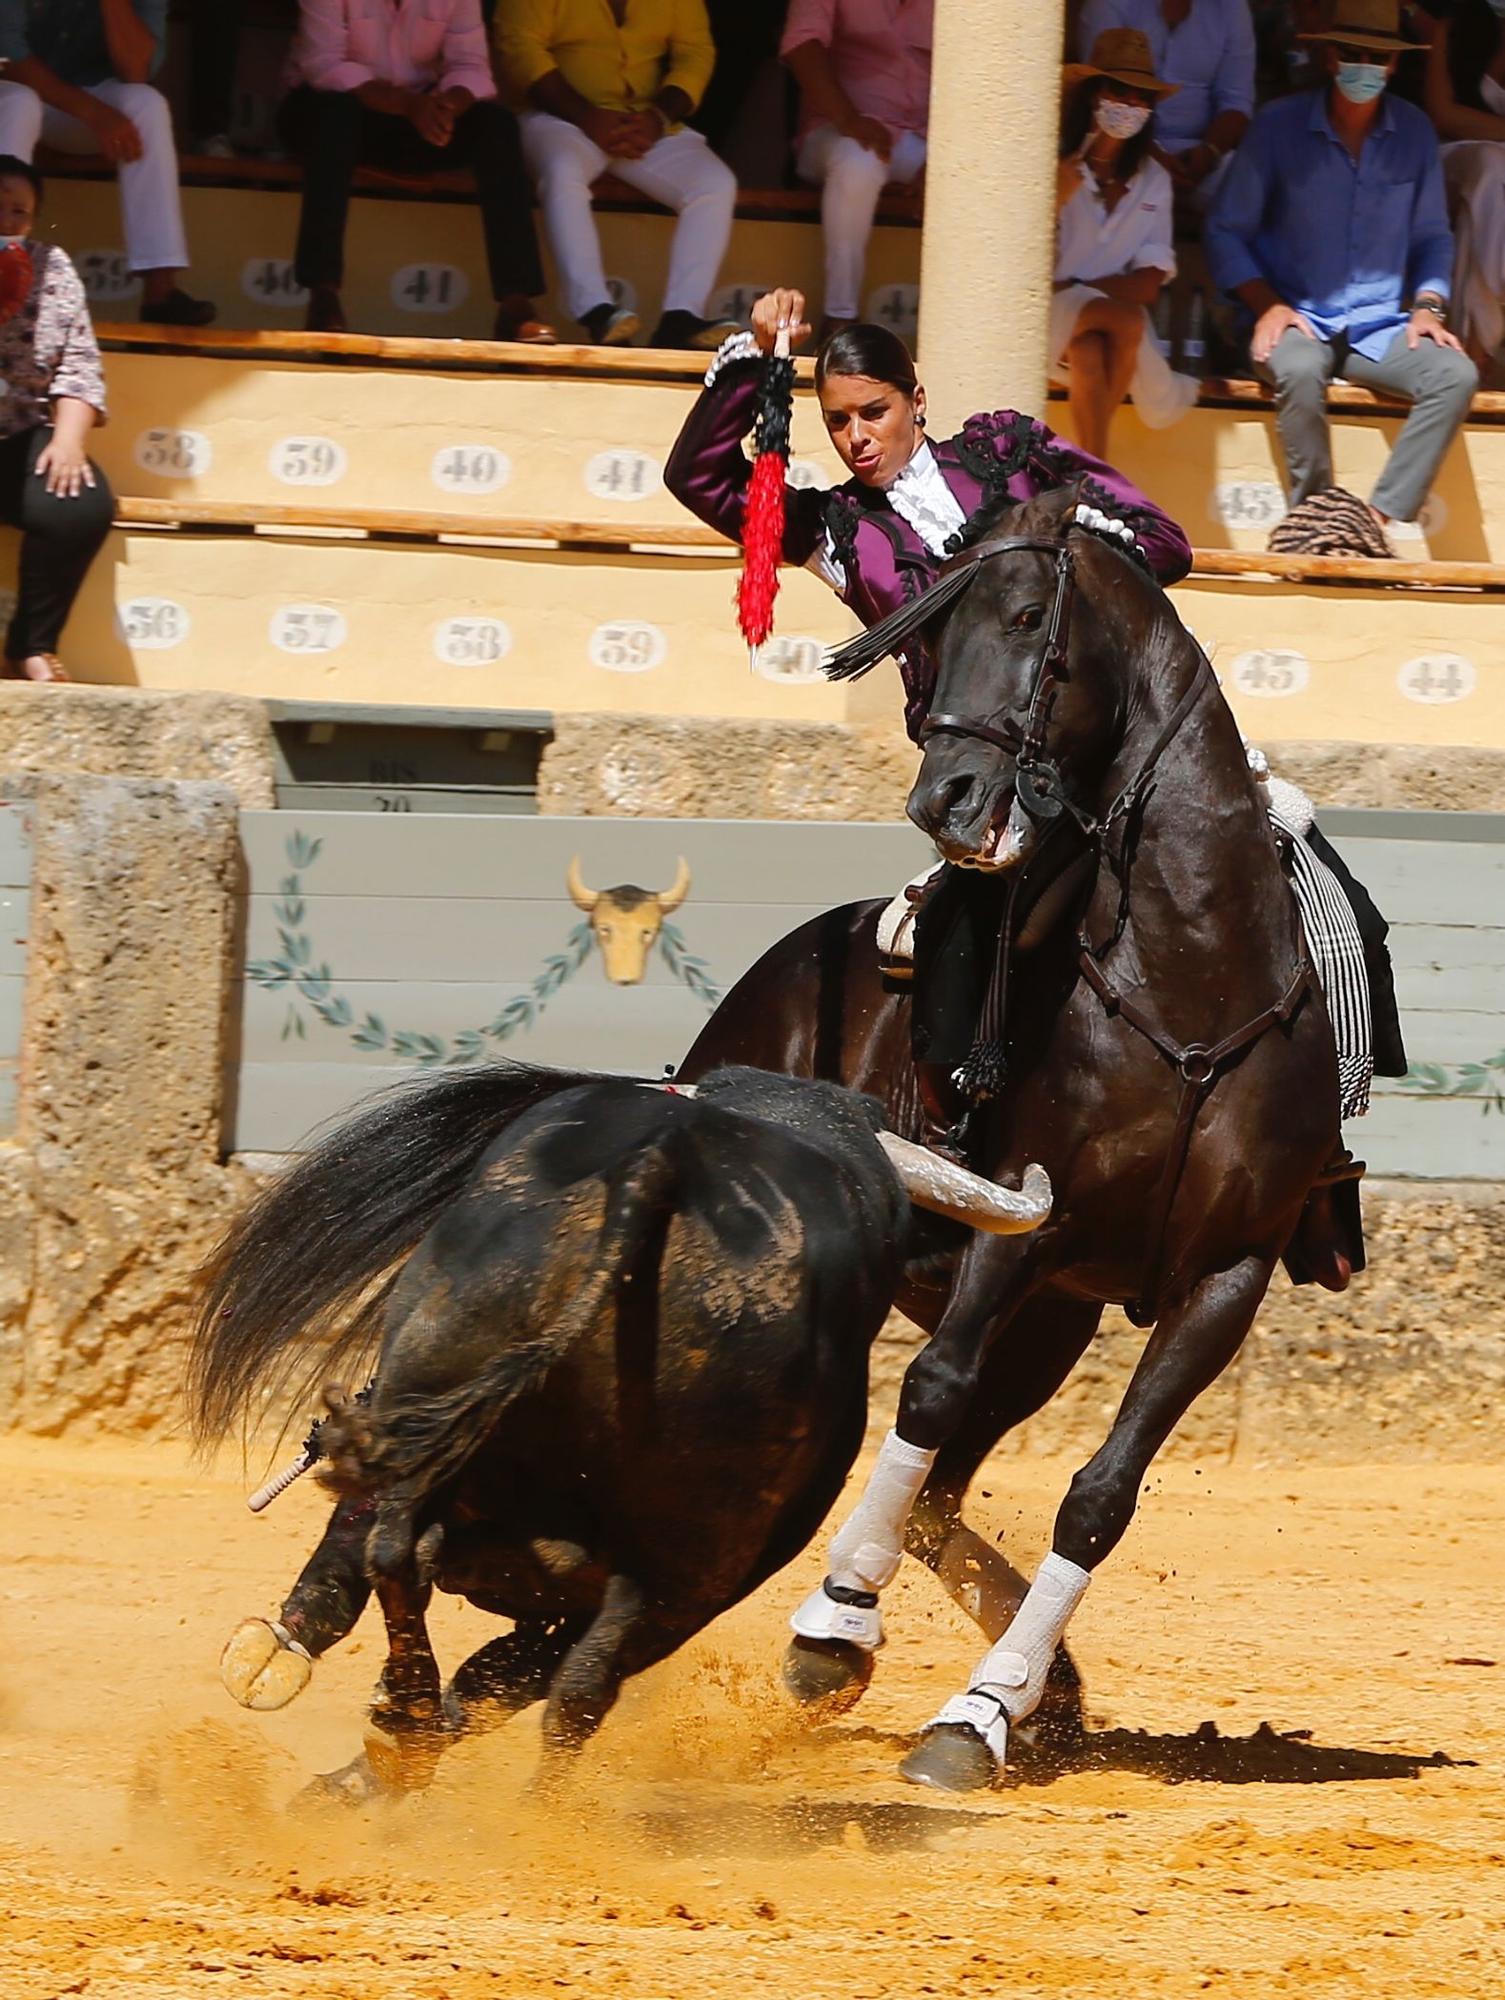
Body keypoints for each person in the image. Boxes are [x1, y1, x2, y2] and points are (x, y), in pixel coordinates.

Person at [1206, 0, 1476, 549]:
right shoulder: (1277, 127)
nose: (1365, 66)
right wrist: (1267, 305)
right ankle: (1315, 518)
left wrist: (1429, 305)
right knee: (1301, 371)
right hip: (1292, 318)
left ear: (1395, 65)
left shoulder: (1416, 134)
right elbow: (1225, 230)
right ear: (1330, 58)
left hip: (1379, 326)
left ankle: (1372, 521)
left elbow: (1432, 238)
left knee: (1456, 375)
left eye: (1377, 56)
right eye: (1353, 54)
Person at [281, 0, 553, 340]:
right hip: (330, 106)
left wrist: (448, 106)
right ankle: (322, 294)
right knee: (334, 116)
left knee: (496, 126)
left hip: (417, 113)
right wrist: (408, 106)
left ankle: (516, 305)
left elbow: (470, 65)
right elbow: (324, 65)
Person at [494, 0, 742, 348]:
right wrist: (584, 115)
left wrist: (659, 117)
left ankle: (681, 318)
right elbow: (519, 45)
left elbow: (695, 52)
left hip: (642, 122)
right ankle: (596, 310)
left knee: (714, 184)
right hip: (558, 117)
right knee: (563, 171)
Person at [0, 0, 215, 327]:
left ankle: (160, 294)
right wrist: (94, 113)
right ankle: (6, 279)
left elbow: (136, 71)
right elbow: (9, 57)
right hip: (19, 93)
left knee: (146, 105)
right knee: (18, 102)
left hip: (81, 108)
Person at [1054, 28, 1198, 458]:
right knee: (1130, 322)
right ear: (1093, 95)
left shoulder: (1154, 179)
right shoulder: (1052, 164)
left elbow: (1149, 284)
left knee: (1092, 347)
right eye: (1119, 91)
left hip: (1095, 331)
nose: (1130, 105)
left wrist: (1074, 289)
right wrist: (1055, 195)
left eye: (1142, 97)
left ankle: (1091, 471)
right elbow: (1017, 263)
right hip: (1043, 326)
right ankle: (1100, 475)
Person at [0, 156, 114, 683]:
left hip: (19, 431)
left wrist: (68, 441)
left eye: (19, 210)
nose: (6, 217)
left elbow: (78, 362)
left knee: (79, 504)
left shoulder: (52, 265)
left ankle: (31, 645)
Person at [780, 0, 931, 340]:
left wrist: (951, 154)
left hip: (922, 139)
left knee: (970, 175)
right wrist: (848, 118)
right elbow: (801, 45)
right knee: (858, 161)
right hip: (837, 128)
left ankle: (965, 330)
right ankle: (839, 319)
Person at [1075, 0, 1256, 203]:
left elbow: (1236, 102)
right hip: (1126, 145)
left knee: (1247, 176)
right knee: (1108, 171)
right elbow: (1101, 92)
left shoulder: (1230, 7)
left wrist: (1208, 153)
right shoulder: (1108, 3)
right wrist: (1156, 160)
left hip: (1200, 158)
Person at [1421, 0, 1505, 368]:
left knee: (1485, 205)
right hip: (1435, 158)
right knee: (1491, 170)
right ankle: (1477, 350)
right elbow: (1443, 115)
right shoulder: (1457, 14)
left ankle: (1471, 353)